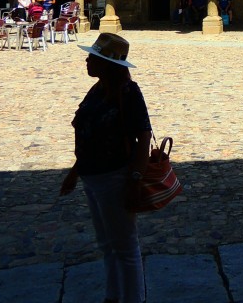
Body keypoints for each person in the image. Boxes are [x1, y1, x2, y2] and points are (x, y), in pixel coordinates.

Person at [59, 33, 152, 303]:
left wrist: (135, 178)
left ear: (107, 64)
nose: (87, 61)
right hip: (92, 177)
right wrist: (75, 172)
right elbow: (89, 135)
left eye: (93, 57)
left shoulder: (128, 93)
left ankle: (134, 298)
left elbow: (143, 135)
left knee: (125, 247)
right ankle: (113, 297)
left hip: (115, 177)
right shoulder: (98, 89)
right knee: (106, 244)